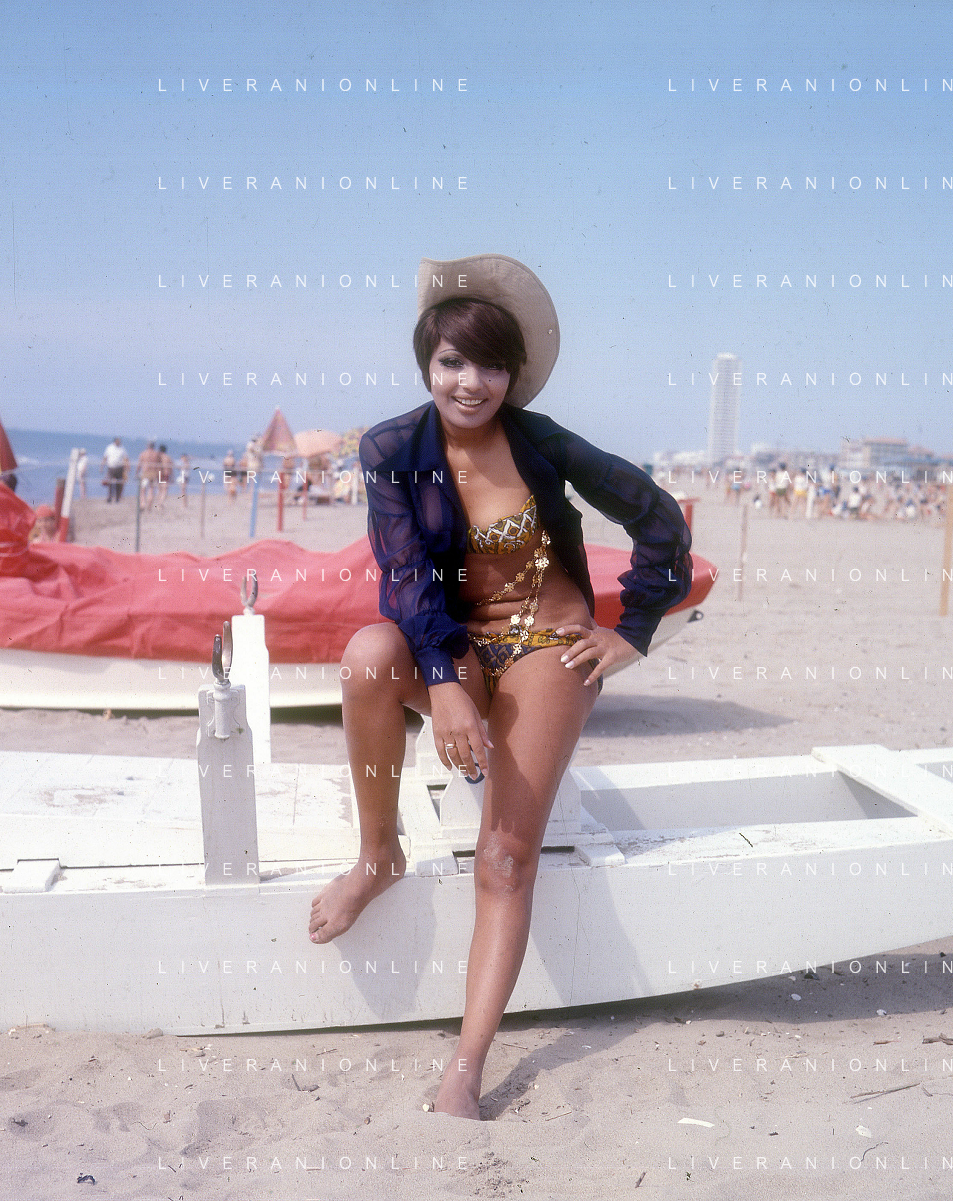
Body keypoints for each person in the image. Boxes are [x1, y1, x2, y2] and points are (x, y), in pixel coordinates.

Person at [308, 254, 692, 1119]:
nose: (469, 383)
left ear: (512, 375)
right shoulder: (391, 450)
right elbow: (406, 579)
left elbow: (657, 516)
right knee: (368, 654)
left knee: (505, 855)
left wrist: (632, 628)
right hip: (461, 647)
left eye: (489, 365)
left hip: (549, 646)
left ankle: (467, 1064)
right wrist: (445, 683)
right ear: (427, 363)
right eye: (452, 361)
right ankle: (377, 856)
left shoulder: (543, 442)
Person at [101, 437, 128, 502]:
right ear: (115, 441)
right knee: (110, 483)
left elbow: (125, 458)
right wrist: (102, 466)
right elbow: (105, 457)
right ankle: (109, 497)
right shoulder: (109, 448)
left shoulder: (122, 449)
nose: (119, 442)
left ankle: (117, 497)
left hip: (119, 468)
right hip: (111, 467)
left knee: (119, 483)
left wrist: (127, 468)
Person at [156, 444, 173, 509]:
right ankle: (160, 503)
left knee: (159, 489)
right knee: (165, 490)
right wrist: (172, 476)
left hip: (159, 474)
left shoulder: (158, 457)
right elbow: (171, 468)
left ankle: (158, 503)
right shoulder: (167, 457)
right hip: (166, 474)